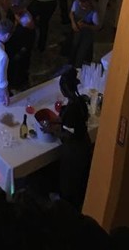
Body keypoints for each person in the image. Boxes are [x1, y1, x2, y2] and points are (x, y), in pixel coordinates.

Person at [39, 66, 92, 210]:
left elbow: (69, 134)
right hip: (84, 144)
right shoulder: (78, 101)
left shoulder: (72, 108)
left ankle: (66, 207)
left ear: (64, 89)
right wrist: (56, 122)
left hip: (75, 151)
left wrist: (51, 130)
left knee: (70, 180)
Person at [4, 0, 35, 91]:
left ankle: (19, 83)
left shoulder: (27, 20)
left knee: (20, 68)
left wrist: (22, 52)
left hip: (21, 48)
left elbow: (30, 38)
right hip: (11, 45)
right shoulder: (11, 13)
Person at [68, 0, 100, 68]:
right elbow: (71, 13)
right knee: (74, 46)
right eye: (80, 0)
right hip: (76, 31)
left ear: (89, 1)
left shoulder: (93, 13)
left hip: (86, 34)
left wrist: (85, 25)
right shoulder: (76, 3)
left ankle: (78, 67)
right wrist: (73, 23)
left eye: (84, 1)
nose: (81, 3)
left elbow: (97, 27)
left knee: (82, 51)